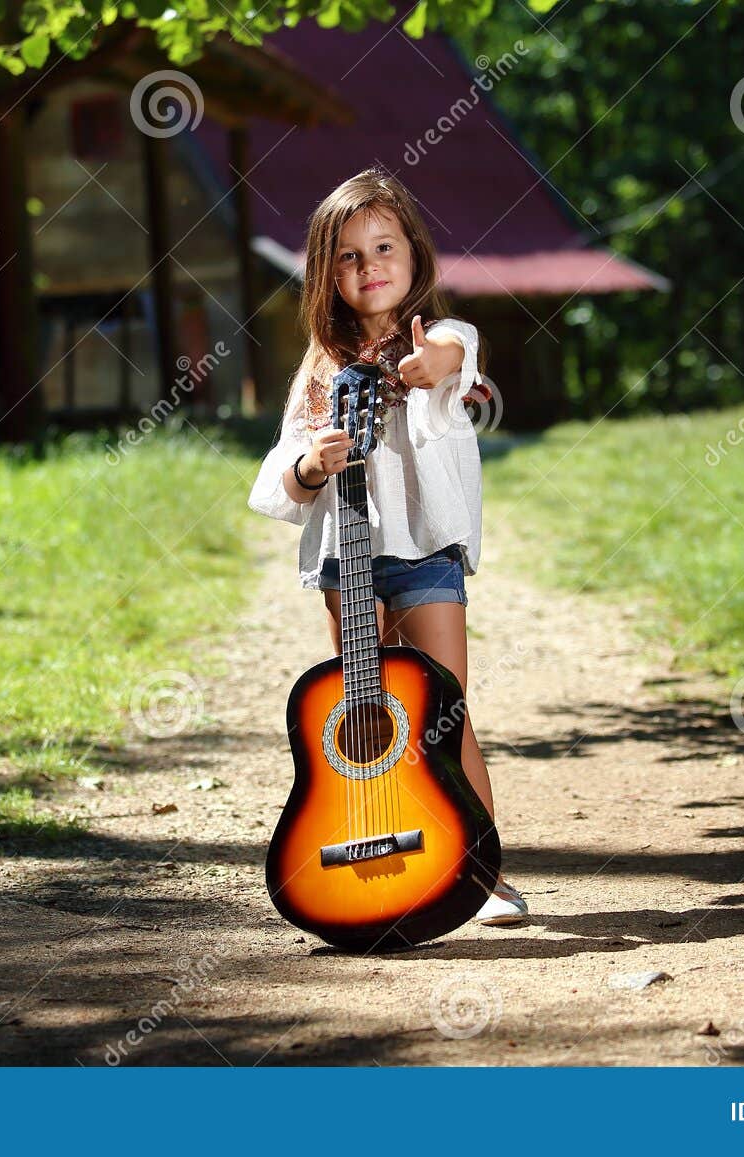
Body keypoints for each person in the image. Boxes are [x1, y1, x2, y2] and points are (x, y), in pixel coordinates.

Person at [246, 167, 525, 927]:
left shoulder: (436, 337)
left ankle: (480, 873)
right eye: (347, 256)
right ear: (325, 275)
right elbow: (282, 472)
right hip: (349, 557)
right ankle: (382, 845)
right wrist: (311, 464)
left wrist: (437, 365)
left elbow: (459, 354)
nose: (368, 267)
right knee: (370, 714)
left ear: (414, 254)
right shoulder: (320, 369)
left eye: (383, 247)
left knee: (444, 710)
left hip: (427, 547)